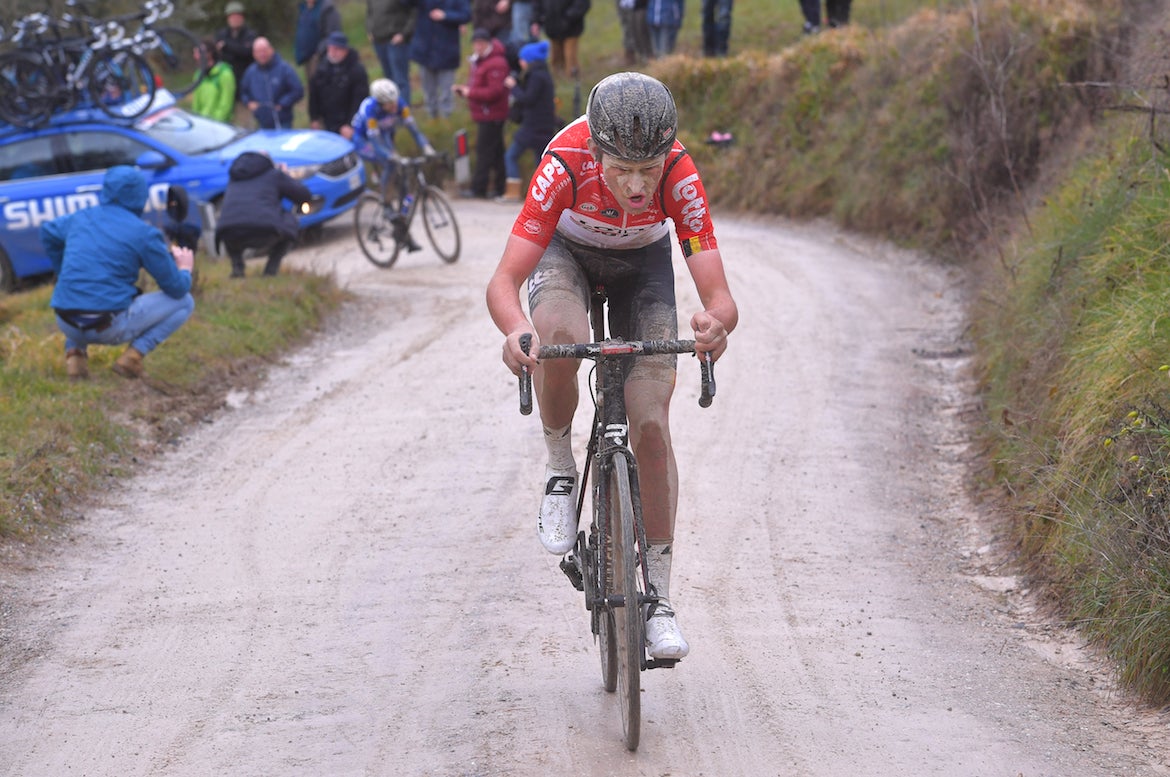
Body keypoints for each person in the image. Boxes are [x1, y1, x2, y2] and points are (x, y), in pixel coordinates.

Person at [484, 72, 738, 660]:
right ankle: (560, 468)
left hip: (642, 268)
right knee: (561, 337)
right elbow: (504, 281)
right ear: (596, 152)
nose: (636, 185)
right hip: (565, 255)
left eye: (649, 170)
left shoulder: (680, 173)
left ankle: (661, 601)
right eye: (622, 169)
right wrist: (516, 329)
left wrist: (716, 323)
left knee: (650, 422)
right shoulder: (564, 163)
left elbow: (719, 296)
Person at [41, 166, 195, 381]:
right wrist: (185, 269)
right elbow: (176, 289)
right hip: (108, 327)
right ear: (141, 195)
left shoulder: (80, 218)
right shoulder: (144, 234)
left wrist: (62, 270)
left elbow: (47, 231)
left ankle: (75, 356)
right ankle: (133, 357)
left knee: (82, 292)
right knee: (185, 302)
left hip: (66, 322)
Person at [351, 79, 437, 251]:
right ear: (380, 102)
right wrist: (391, 156)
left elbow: (414, 129)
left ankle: (402, 229)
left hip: (384, 137)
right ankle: (385, 203)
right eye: (389, 104)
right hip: (365, 142)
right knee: (390, 164)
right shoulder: (370, 109)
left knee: (403, 176)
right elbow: (375, 142)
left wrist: (427, 147)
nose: (394, 106)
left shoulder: (400, 105)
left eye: (395, 101)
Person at [214, 151, 313, 278]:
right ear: (268, 161)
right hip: (264, 232)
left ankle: (237, 269)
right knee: (291, 221)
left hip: (229, 234)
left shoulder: (235, 177)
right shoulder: (275, 175)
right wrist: (285, 175)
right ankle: (270, 270)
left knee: (232, 221)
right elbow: (304, 196)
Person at [452, 29, 510, 199]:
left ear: (487, 43)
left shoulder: (496, 63)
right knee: (496, 152)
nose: (477, 47)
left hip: (492, 114)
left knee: (484, 151)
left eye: (480, 43)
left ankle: (479, 188)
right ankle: (499, 187)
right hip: (485, 113)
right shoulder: (480, 61)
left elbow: (494, 92)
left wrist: (470, 93)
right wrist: (466, 91)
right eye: (475, 43)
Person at [498, 39, 557, 203]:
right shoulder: (544, 74)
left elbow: (528, 99)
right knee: (542, 163)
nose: (520, 62)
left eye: (522, 58)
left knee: (511, 156)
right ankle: (544, 196)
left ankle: (513, 193)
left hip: (532, 126)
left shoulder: (536, 76)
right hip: (544, 126)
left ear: (529, 60)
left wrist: (513, 87)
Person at [410, 0, 472, 119]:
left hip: (447, 49)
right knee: (428, 90)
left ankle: (446, 118)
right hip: (425, 50)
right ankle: (432, 116)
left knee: (446, 91)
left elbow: (466, 15)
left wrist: (445, 16)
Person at [309, 31, 369, 137]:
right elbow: (314, 94)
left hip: (347, 121)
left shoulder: (356, 70)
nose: (332, 53)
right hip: (328, 120)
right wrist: (314, 118)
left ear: (345, 50)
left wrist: (350, 124)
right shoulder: (321, 68)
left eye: (336, 49)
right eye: (330, 49)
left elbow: (360, 99)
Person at [239, 37, 305, 129]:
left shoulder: (284, 69)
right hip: (261, 123)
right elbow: (243, 92)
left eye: (264, 50)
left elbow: (298, 90)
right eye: (258, 52)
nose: (262, 54)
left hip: (283, 122)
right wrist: (249, 102)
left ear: (271, 50)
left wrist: (283, 103)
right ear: (254, 54)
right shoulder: (251, 72)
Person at [367, 0, 418, 108]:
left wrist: (404, 34)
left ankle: (403, 111)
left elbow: (414, 12)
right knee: (388, 79)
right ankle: (389, 111)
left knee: (400, 79)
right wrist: (370, 30)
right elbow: (370, 12)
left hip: (396, 42)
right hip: (379, 41)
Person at [533, 0, 590, 80]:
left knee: (570, 57)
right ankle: (558, 79)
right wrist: (537, 20)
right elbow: (537, 4)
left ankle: (573, 80)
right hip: (552, 27)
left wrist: (569, 17)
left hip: (571, 27)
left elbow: (582, 4)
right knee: (555, 58)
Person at [190, 38, 237, 123]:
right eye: (194, 53)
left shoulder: (225, 74)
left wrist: (213, 124)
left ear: (209, 54)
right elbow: (196, 104)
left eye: (198, 53)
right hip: (201, 123)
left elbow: (225, 105)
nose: (195, 56)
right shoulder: (198, 75)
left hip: (218, 125)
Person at [294, 0, 343, 79]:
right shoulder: (304, 9)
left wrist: (319, 53)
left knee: (322, 84)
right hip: (307, 59)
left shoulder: (327, 8)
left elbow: (333, 35)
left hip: (321, 58)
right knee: (313, 85)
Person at [215, 0, 258, 89]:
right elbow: (217, 53)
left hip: (245, 76)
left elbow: (246, 51)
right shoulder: (222, 34)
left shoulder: (250, 35)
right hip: (226, 77)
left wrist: (226, 46)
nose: (235, 19)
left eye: (238, 16)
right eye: (232, 17)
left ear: (242, 18)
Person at [617, 0, 653, 66]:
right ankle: (641, 56)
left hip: (640, 6)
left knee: (641, 30)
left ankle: (649, 56)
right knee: (632, 30)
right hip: (630, 6)